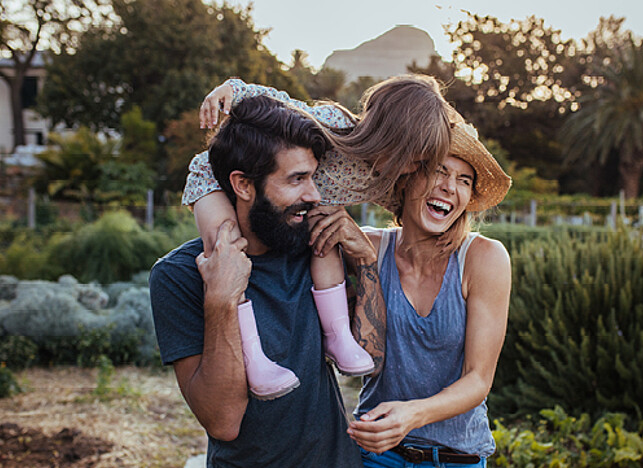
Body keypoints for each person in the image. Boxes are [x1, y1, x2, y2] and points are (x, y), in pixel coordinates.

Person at [149, 95, 385, 468]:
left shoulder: (311, 247)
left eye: (312, 177)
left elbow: (374, 353)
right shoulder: (178, 278)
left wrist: (366, 263)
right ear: (242, 185)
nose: (313, 194)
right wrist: (221, 298)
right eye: (296, 179)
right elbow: (223, 421)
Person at [186, 74, 455, 397]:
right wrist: (232, 90)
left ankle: (338, 334)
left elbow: (412, 208)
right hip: (214, 178)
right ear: (389, 137)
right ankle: (253, 356)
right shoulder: (335, 124)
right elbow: (280, 102)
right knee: (224, 246)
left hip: (300, 203)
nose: (412, 168)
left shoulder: (384, 176)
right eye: (412, 158)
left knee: (326, 236)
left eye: (421, 162)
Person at [308, 122, 513, 468]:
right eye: (438, 170)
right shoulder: (369, 247)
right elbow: (314, 178)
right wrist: (239, 94)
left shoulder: (484, 259)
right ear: (406, 178)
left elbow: (478, 379)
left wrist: (412, 415)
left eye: (464, 180)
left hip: (454, 467)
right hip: (379, 459)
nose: (449, 188)